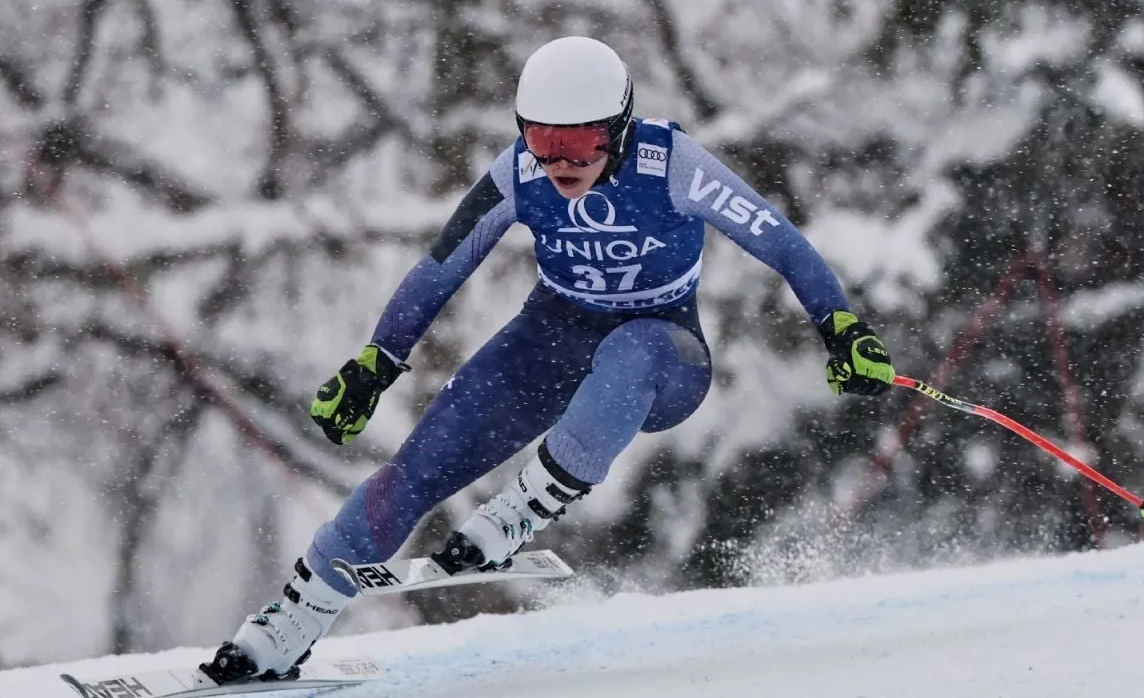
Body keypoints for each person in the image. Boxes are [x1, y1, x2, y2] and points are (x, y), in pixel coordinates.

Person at [200, 35, 895, 683]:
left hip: (662, 360)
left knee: (631, 346)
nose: (561, 160)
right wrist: (376, 364)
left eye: (582, 141)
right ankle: (294, 619)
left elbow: (779, 242)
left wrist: (841, 328)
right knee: (413, 471)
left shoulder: (672, 164)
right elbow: (442, 266)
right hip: (548, 343)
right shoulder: (517, 172)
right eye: (543, 139)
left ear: (619, 129)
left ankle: (525, 507)